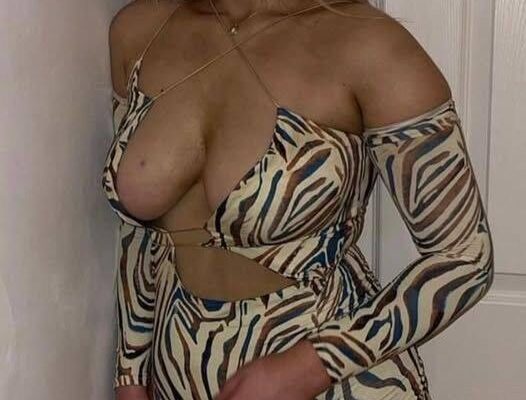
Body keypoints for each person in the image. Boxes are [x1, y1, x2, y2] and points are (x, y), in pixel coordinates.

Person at [102, 0, 495, 399]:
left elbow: (465, 258)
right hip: (178, 371)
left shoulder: (369, 46)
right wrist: (130, 373)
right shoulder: (139, 31)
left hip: (336, 375)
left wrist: (311, 365)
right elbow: (139, 233)